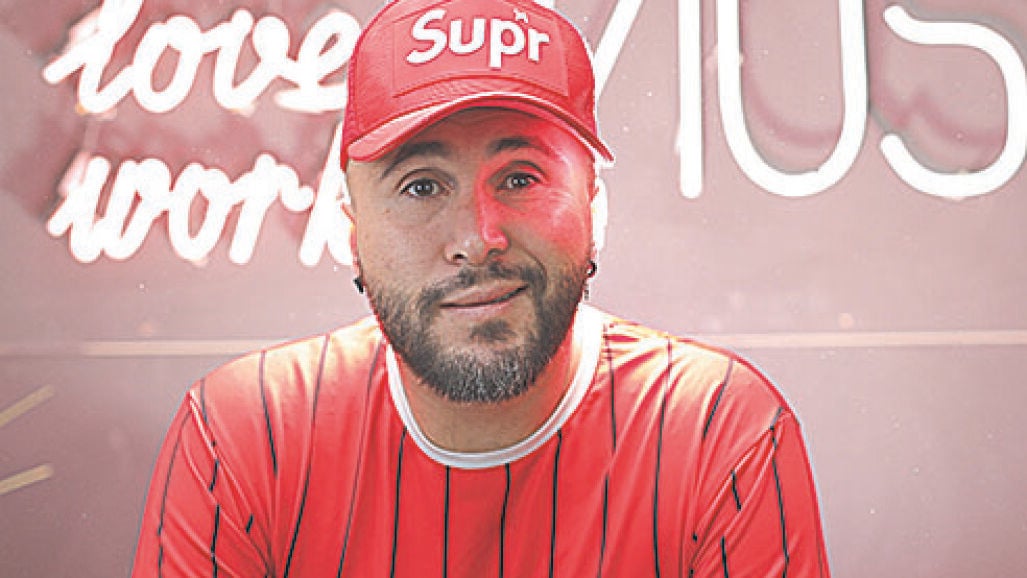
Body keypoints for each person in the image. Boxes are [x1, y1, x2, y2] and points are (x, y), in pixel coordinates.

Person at [131, 0, 831, 576]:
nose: (477, 236)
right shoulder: (245, 435)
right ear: (350, 229)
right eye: (421, 186)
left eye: (520, 178)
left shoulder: (717, 430)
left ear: (595, 211)